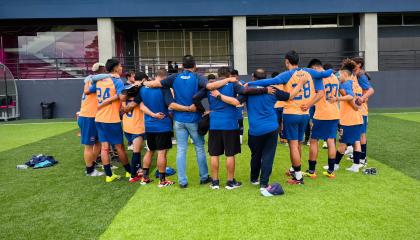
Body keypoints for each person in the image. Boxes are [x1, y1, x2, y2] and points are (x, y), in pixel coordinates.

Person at [142, 55, 238, 188]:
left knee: (181, 149)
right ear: (195, 66)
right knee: (199, 147)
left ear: (182, 66)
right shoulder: (197, 77)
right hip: (194, 118)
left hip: (178, 119)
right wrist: (229, 79)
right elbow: (210, 86)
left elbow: (155, 83)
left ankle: (183, 181)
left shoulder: (174, 77)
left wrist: (143, 83)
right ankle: (204, 177)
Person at [247, 50, 332, 185]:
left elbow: (270, 81)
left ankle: (298, 177)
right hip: (305, 113)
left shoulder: (286, 75)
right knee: (298, 143)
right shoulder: (308, 72)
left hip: (291, 113)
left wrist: (250, 84)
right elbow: (324, 74)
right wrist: (331, 70)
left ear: (287, 61)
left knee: (293, 145)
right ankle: (295, 170)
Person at [193, 67, 270, 190]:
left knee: (214, 154)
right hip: (230, 124)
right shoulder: (232, 84)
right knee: (230, 154)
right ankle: (230, 182)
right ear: (229, 75)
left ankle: (215, 182)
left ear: (218, 75)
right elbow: (246, 91)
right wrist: (265, 90)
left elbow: (195, 97)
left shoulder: (211, 85)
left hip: (215, 124)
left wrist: (204, 110)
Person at [236, 68, 305, 191]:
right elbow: (290, 96)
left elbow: (236, 101)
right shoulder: (272, 90)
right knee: (268, 155)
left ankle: (254, 179)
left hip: (255, 130)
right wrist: (300, 83)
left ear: (253, 77)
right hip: (271, 128)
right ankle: (263, 183)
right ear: (266, 78)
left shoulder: (248, 91)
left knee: (255, 154)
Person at [138, 68, 194, 187]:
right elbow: (171, 106)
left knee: (150, 150)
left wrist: (152, 115)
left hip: (149, 125)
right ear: (165, 78)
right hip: (162, 125)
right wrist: (188, 108)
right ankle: (162, 181)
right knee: (162, 153)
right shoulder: (164, 89)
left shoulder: (143, 88)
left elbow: (141, 106)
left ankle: (145, 178)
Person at [90, 59, 131, 182]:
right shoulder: (117, 80)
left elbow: (88, 90)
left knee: (105, 147)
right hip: (111, 119)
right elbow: (122, 96)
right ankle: (129, 172)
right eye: (120, 66)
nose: (121, 67)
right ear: (115, 68)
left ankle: (109, 175)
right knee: (120, 147)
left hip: (99, 118)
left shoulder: (99, 80)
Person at [303, 59, 340, 179]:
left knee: (314, 141)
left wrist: (308, 104)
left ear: (314, 68)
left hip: (322, 113)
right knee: (331, 140)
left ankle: (312, 171)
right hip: (334, 113)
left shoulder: (318, 78)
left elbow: (319, 94)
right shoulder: (334, 77)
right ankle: (331, 171)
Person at [327, 59, 364, 173]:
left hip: (349, 119)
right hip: (358, 117)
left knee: (343, 143)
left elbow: (350, 97)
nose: (338, 77)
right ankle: (356, 165)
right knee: (356, 141)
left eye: (339, 75)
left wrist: (337, 98)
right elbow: (358, 99)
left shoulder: (347, 83)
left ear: (344, 74)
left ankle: (335, 164)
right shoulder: (355, 83)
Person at [78, 62, 106, 177]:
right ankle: (89, 170)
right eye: (104, 69)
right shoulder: (94, 81)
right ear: (102, 69)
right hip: (88, 117)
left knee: (98, 143)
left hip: (93, 116)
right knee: (89, 145)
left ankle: (93, 164)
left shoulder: (90, 79)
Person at [120, 72, 148, 183]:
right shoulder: (142, 91)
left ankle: (138, 169)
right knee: (136, 151)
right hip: (137, 125)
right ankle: (133, 175)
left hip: (127, 125)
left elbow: (121, 98)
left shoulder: (125, 89)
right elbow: (128, 107)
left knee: (137, 150)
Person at [353, 57, 375, 166]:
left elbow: (370, 90)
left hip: (361, 110)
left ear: (359, 65)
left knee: (361, 134)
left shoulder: (361, 76)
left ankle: (363, 158)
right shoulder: (356, 75)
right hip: (357, 110)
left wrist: (362, 98)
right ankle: (357, 154)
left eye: (354, 63)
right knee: (356, 134)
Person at [230, 69, 246, 145]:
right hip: (231, 106)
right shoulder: (228, 83)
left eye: (234, 76)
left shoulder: (242, 83)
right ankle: (232, 138)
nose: (233, 77)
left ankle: (240, 139)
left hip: (239, 106)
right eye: (232, 76)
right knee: (231, 122)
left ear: (237, 76)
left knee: (240, 122)